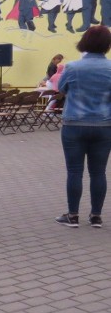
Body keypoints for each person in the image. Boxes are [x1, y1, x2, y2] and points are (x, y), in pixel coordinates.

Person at [55, 25, 111, 228]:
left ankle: (72, 215)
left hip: (74, 124)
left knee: (74, 171)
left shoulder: (72, 67)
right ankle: (96, 216)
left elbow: (61, 89)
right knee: (99, 172)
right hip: (104, 125)